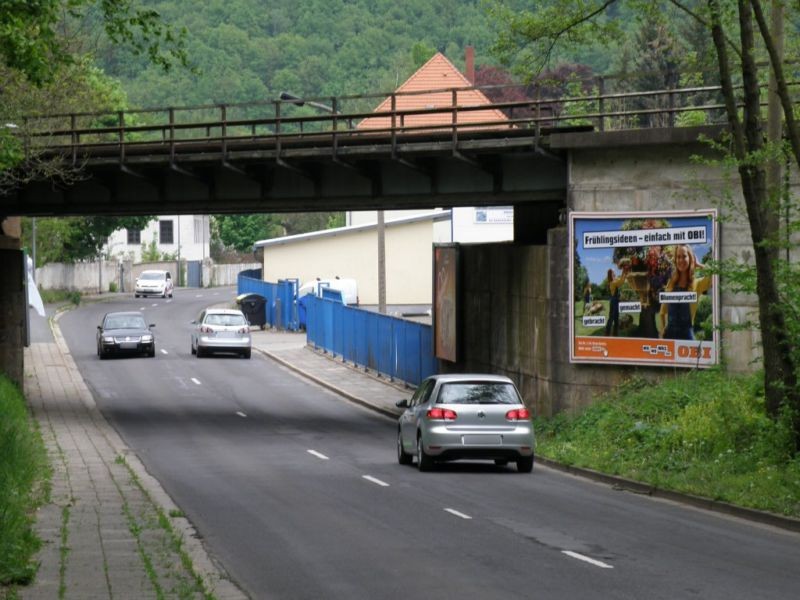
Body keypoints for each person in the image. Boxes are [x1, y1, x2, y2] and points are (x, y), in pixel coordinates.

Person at [659, 244, 711, 340]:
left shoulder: (697, 283)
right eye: (678, 257)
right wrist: (663, 330)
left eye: (684, 256)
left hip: (687, 335)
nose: (681, 260)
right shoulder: (671, 283)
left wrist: (699, 264)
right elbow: (663, 311)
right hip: (669, 335)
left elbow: (714, 276)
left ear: (690, 258)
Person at [605, 263, 629, 336]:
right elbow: (621, 282)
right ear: (611, 274)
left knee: (615, 318)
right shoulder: (613, 282)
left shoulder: (613, 281)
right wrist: (624, 271)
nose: (614, 273)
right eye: (613, 272)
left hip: (614, 301)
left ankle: (614, 334)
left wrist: (624, 272)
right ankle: (608, 333)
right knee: (612, 317)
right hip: (614, 301)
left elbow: (621, 279)